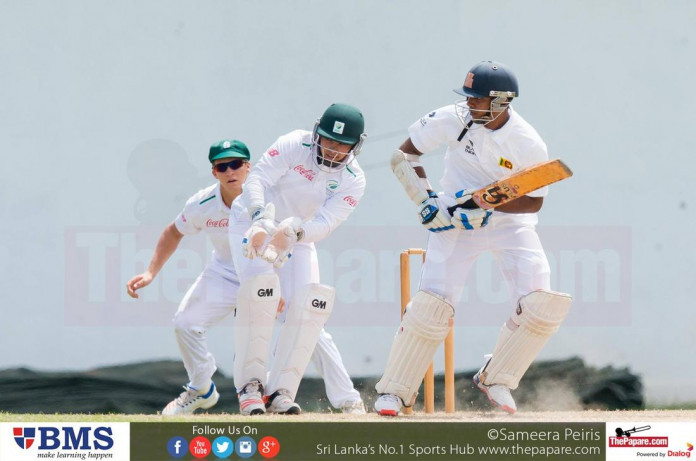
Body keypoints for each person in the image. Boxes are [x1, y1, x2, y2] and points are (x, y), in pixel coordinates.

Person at [375, 61, 572, 416]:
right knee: (432, 305)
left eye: (477, 99)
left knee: (541, 305)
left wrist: (490, 205)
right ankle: (394, 391)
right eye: (468, 97)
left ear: (501, 101)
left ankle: (497, 378)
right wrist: (427, 200)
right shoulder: (450, 118)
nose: (469, 105)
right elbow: (404, 155)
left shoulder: (527, 141)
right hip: (455, 219)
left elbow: (534, 199)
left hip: (511, 224)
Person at [126, 139, 365, 415]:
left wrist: (271, 285)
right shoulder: (203, 203)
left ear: (249, 167)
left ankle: (346, 399)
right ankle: (201, 389)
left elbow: (290, 241)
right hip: (225, 273)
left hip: (274, 270)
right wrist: (150, 271)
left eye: (237, 164)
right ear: (214, 172)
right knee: (185, 324)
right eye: (223, 166)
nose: (231, 171)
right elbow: (173, 231)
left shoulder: (271, 198)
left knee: (308, 325)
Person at [229, 103, 367, 415]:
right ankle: (250, 389)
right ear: (317, 132)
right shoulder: (294, 143)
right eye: (327, 139)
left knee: (308, 312)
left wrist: (295, 234)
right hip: (252, 222)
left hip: (296, 233)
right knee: (260, 299)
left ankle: (283, 392)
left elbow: (327, 223)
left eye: (341, 144)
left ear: (356, 145)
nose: (331, 149)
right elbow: (258, 180)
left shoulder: (353, 178)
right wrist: (259, 219)